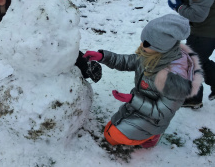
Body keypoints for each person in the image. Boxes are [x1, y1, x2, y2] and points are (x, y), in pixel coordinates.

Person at [83, 14, 203, 148]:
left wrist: (132, 99)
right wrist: (102, 57)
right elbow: (127, 62)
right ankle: (140, 133)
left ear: (161, 46)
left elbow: (162, 112)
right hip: (140, 104)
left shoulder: (175, 79)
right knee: (110, 132)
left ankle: (153, 135)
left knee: (112, 136)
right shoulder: (153, 55)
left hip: (155, 118)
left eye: (146, 43)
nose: (141, 45)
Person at [168, 0, 215, 108]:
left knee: (192, 63)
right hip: (209, 31)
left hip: (203, 33)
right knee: (198, 60)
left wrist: (178, 7)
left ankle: (193, 98)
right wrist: (186, 0)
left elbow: (197, 15)